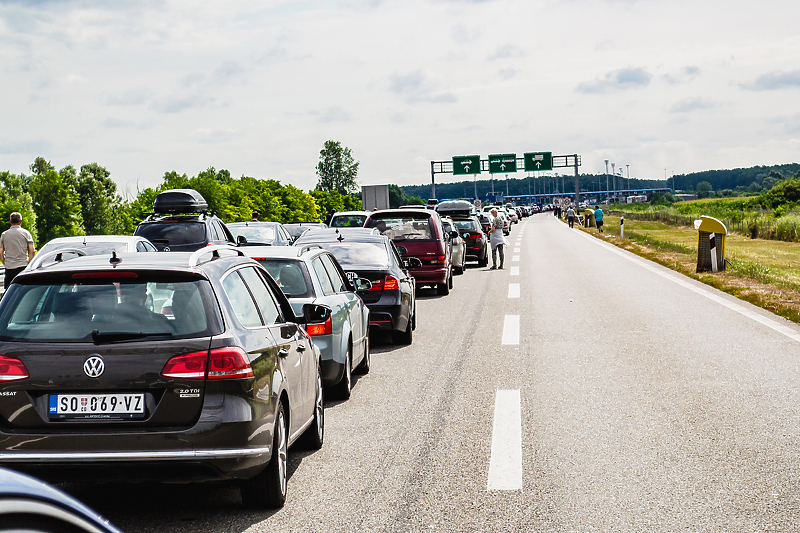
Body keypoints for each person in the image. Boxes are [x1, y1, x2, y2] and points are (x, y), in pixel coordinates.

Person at [0, 212, 35, 289]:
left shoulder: (4, 235)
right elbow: (32, 251)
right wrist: (29, 263)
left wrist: (5, 263)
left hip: (9, 268)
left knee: (9, 293)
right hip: (22, 266)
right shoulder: (26, 233)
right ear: (20, 222)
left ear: (10, 222)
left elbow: (0, 252)